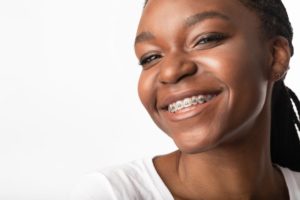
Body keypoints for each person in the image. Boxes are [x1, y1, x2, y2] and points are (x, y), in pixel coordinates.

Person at [70, 0, 300, 199]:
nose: (170, 71)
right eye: (150, 57)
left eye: (205, 39)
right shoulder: (112, 194)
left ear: (275, 56)